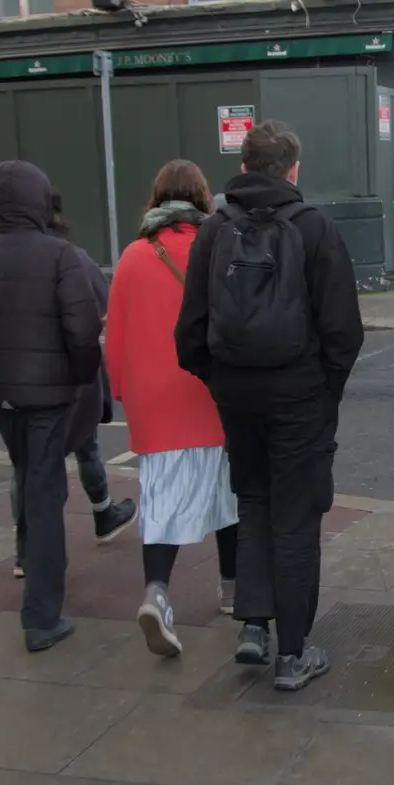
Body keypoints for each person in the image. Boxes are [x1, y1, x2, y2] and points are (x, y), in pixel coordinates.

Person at [176, 121, 365, 691]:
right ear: (292, 169)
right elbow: (343, 332)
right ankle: (293, 653)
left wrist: (221, 380)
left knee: (252, 501)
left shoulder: (213, 231)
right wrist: (321, 388)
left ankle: (253, 626)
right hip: (298, 394)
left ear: (243, 163)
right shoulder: (314, 229)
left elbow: (190, 331)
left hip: (237, 394)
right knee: (296, 517)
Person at [0, 161, 103, 653]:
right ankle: (41, 617)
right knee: (44, 493)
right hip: (54, 397)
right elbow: (83, 331)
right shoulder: (61, 257)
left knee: (32, 483)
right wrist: (78, 377)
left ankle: (39, 602)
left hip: (7, 399)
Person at [105, 161, 241, 657]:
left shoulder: (135, 257)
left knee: (162, 502)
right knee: (230, 493)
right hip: (214, 392)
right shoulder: (219, 248)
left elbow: (114, 340)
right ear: (204, 199)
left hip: (156, 402)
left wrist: (126, 393)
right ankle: (233, 589)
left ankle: (157, 595)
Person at [8, 194, 136, 581]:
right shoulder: (70, 257)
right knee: (85, 443)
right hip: (65, 375)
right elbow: (100, 311)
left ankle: (25, 547)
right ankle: (102, 513)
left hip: (18, 378)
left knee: (25, 464)